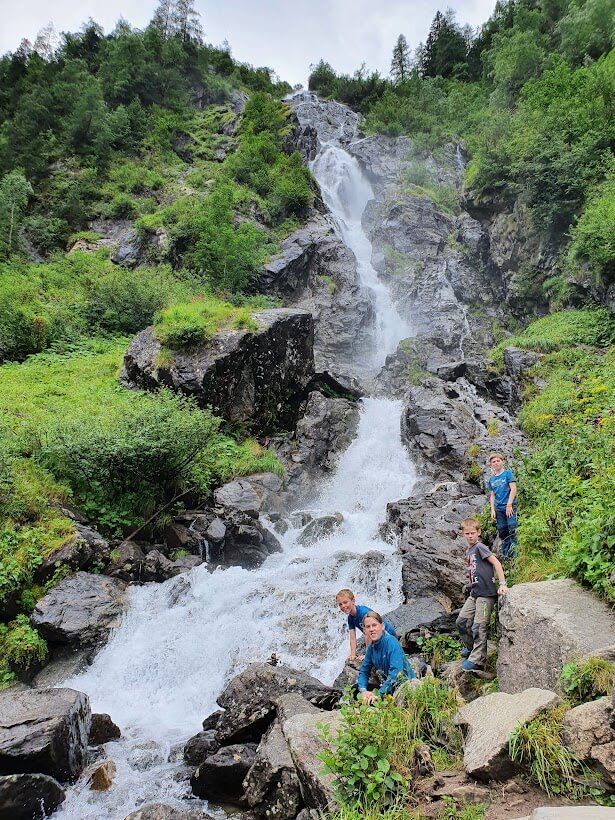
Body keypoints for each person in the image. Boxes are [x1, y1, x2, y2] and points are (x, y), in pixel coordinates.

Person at [456, 518, 508, 672]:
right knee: (461, 621)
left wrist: (503, 584)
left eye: (473, 533)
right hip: (475, 594)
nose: (470, 536)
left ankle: (477, 659)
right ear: (463, 534)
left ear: (478, 533)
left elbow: (496, 563)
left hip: (486, 594)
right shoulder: (469, 550)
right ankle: (471, 647)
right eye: (467, 533)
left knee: (479, 626)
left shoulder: (480, 547)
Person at [357, 611, 415, 704]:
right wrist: (364, 691)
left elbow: (395, 673)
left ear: (382, 626)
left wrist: (378, 694)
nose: (371, 629)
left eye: (374, 625)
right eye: (368, 627)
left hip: (403, 687)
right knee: (356, 689)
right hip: (386, 688)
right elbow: (363, 672)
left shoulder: (391, 642)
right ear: (365, 631)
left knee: (372, 702)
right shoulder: (371, 648)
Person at [336, 589, 396, 661]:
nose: (343, 606)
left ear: (353, 601)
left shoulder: (363, 613)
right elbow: (352, 637)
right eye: (340, 604)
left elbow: (368, 633)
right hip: (377, 639)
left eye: (345, 602)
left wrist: (367, 655)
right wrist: (352, 654)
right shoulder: (350, 618)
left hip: (388, 636)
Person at [488, 451, 518, 558]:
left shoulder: (508, 474)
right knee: (502, 531)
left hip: (509, 506)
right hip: (498, 509)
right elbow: (492, 495)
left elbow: (513, 489)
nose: (496, 463)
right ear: (491, 465)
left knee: (512, 527)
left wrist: (509, 505)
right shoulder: (491, 480)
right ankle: (506, 554)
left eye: (498, 461)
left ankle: (515, 553)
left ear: (502, 462)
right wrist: (492, 510)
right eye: (494, 462)